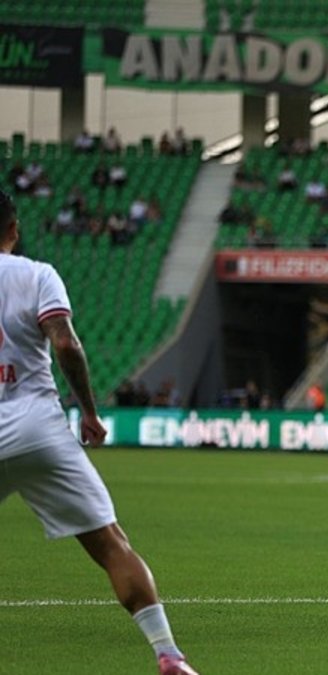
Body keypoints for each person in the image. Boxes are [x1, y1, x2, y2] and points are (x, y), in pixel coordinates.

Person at [0, 190, 199, 675]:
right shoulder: (36, 274)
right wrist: (88, 411)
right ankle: (168, 654)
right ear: (14, 228)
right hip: (36, 424)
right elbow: (65, 344)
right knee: (112, 544)